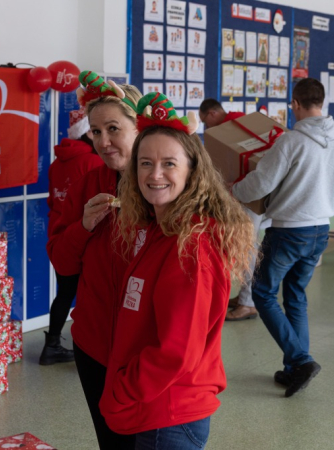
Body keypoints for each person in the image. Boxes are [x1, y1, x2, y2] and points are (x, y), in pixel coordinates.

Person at [99, 93, 255, 449]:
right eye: (144, 163)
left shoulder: (190, 247)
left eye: (169, 163)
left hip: (168, 415)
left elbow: (176, 353)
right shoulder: (162, 230)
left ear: (191, 171)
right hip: (159, 407)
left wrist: (120, 393)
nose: (154, 174)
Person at [232, 78, 334, 397]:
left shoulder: (291, 141)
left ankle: (300, 360)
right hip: (321, 229)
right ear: (321, 103)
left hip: (289, 230)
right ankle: (293, 368)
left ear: (295, 104)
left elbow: (260, 183)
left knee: (264, 294)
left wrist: (233, 191)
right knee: (295, 295)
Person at [46, 71, 142, 450]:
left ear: (141, 128)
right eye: (96, 131)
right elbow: (63, 263)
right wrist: (83, 226)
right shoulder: (89, 181)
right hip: (93, 344)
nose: (103, 141)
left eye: (113, 129)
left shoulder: (164, 188)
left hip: (142, 353)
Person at [40, 108, 104, 365]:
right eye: (98, 131)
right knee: (92, 295)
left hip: (60, 235)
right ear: (88, 132)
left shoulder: (57, 163)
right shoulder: (94, 163)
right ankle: (90, 350)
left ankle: (52, 344)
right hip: (86, 236)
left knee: (64, 292)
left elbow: (52, 199)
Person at [199, 98, 258, 321]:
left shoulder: (230, 131)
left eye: (206, 122)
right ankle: (244, 298)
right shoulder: (242, 123)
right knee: (244, 246)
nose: (206, 128)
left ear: (213, 114)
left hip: (247, 196)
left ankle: (247, 303)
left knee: (248, 248)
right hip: (245, 195)